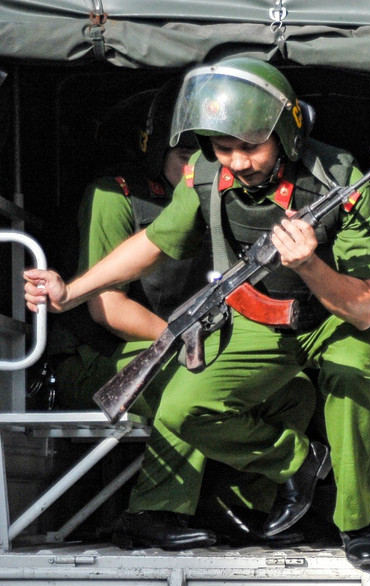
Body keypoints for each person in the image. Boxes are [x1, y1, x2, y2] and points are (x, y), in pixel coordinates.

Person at [24, 58, 370, 568]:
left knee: (349, 379)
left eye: (251, 146)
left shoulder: (342, 183)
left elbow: (365, 309)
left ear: (285, 134)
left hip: (336, 312)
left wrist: (309, 263)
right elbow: (154, 242)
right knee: (183, 408)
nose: (238, 162)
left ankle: (358, 524)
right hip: (263, 312)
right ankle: (298, 463)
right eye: (223, 147)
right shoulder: (203, 175)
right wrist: (72, 290)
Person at [48, 79, 317, 547]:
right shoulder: (117, 194)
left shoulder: (224, 199)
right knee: (187, 381)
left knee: (292, 392)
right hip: (100, 359)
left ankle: (237, 506)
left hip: (187, 345)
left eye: (209, 153)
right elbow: (108, 309)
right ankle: (154, 510)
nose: (201, 165)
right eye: (185, 153)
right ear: (155, 149)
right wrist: (191, 341)